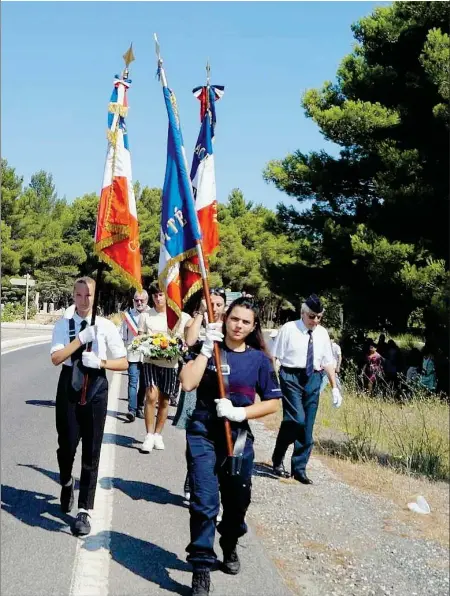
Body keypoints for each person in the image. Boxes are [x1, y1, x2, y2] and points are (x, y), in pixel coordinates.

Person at [180, 297, 282, 596]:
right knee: (204, 501)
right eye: (234, 319)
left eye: (245, 322)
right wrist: (202, 350)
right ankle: (201, 566)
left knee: (237, 502)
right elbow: (187, 383)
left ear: (253, 327)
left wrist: (241, 413)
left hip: (237, 437)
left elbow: (273, 403)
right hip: (202, 432)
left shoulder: (259, 360)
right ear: (225, 319)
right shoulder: (209, 348)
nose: (238, 325)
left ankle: (230, 541)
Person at [50, 276, 128, 536]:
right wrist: (81, 338)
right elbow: (56, 358)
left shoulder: (106, 326)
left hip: (96, 388)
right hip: (69, 387)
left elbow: (124, 362)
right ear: (73, 296)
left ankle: (85, 510)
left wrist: (101, 363)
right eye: (78, 295)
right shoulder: (64, 325)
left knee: (91, 451)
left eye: (88, 296)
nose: (83, 301)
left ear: (96, 298)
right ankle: (65, 481)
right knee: (67, 445)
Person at [271, 294, 343, 485]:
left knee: (307, 425)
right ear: (303, 313)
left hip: (313, 377)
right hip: (291, 375)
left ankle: (299, 469)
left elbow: (328, 361)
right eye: (312, 316)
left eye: (319, 317)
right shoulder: (289, 329)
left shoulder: (322, 333)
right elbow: (275, 357)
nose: (315, 321)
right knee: (296, 419)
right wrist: (273, 382)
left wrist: (335, 387)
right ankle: (278, 455)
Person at [173, 288, 227, 504]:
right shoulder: (196, 322)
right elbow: (190, 339)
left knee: (218, 437)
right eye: (210, 303)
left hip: (220, 384)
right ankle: (191, 478)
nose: (214, 307)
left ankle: (211, 485)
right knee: (193, 435)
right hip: (196, 381)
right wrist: (200, 314)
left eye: (218, 304)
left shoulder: (229, 326)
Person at [138, 282, 191, 452]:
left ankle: (158, 434)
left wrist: (182, 345)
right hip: (150, 362)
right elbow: (140, 338)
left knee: (164, 400)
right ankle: (148, 435)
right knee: (151, 396)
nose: (158, 298)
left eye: (161, 294)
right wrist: (146, 344)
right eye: (155, 295)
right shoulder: (146, 316)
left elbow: (188, 339)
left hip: (171, 364)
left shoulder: (180, 316)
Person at [120, 290, 150, 422]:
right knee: (133, 382)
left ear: (146, 301)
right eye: (136, 300)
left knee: (144, 383)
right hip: (132, 354)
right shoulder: (128, 316)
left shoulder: (152, 314)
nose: (139, 303)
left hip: (147, 355)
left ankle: (139, 407)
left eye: (141, 300)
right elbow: (123, 336)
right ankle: (131, 410)